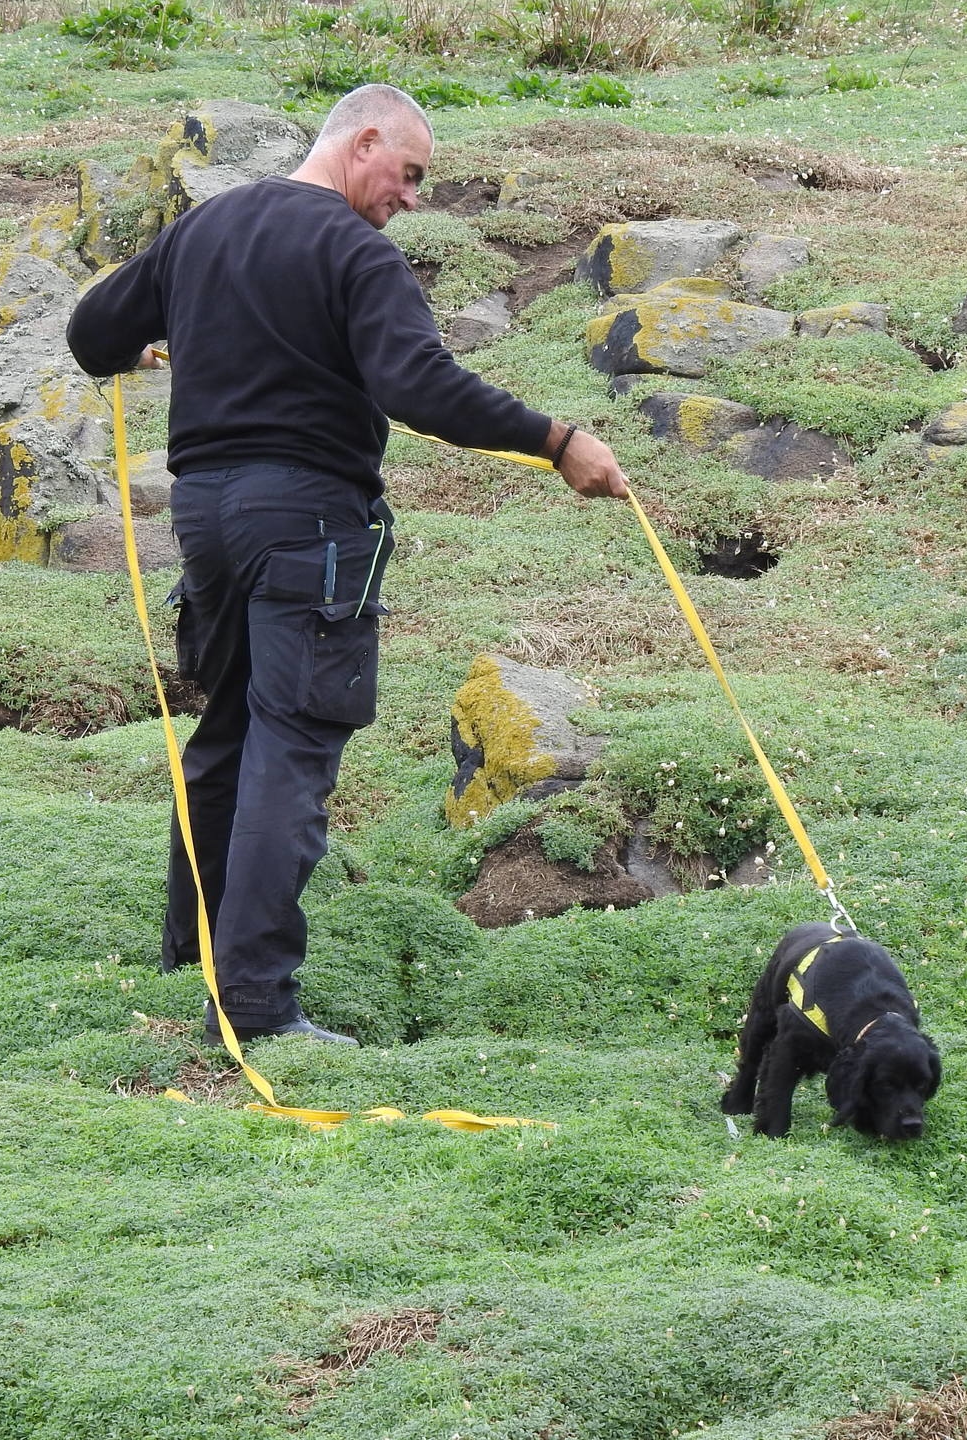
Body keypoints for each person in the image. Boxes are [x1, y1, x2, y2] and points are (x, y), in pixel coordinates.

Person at [67, 84, 628, 1047]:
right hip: (308, 523)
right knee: (293, 745)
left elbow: (90, 336)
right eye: (409, 175)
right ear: (361, 140)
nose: (412, 199)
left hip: (203, 517)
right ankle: (252, 1007)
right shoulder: (355, 253)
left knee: (228, 735)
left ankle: (190, 957)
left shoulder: (205, 229)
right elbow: (417, 384)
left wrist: (169, 336)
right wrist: (558, 440)